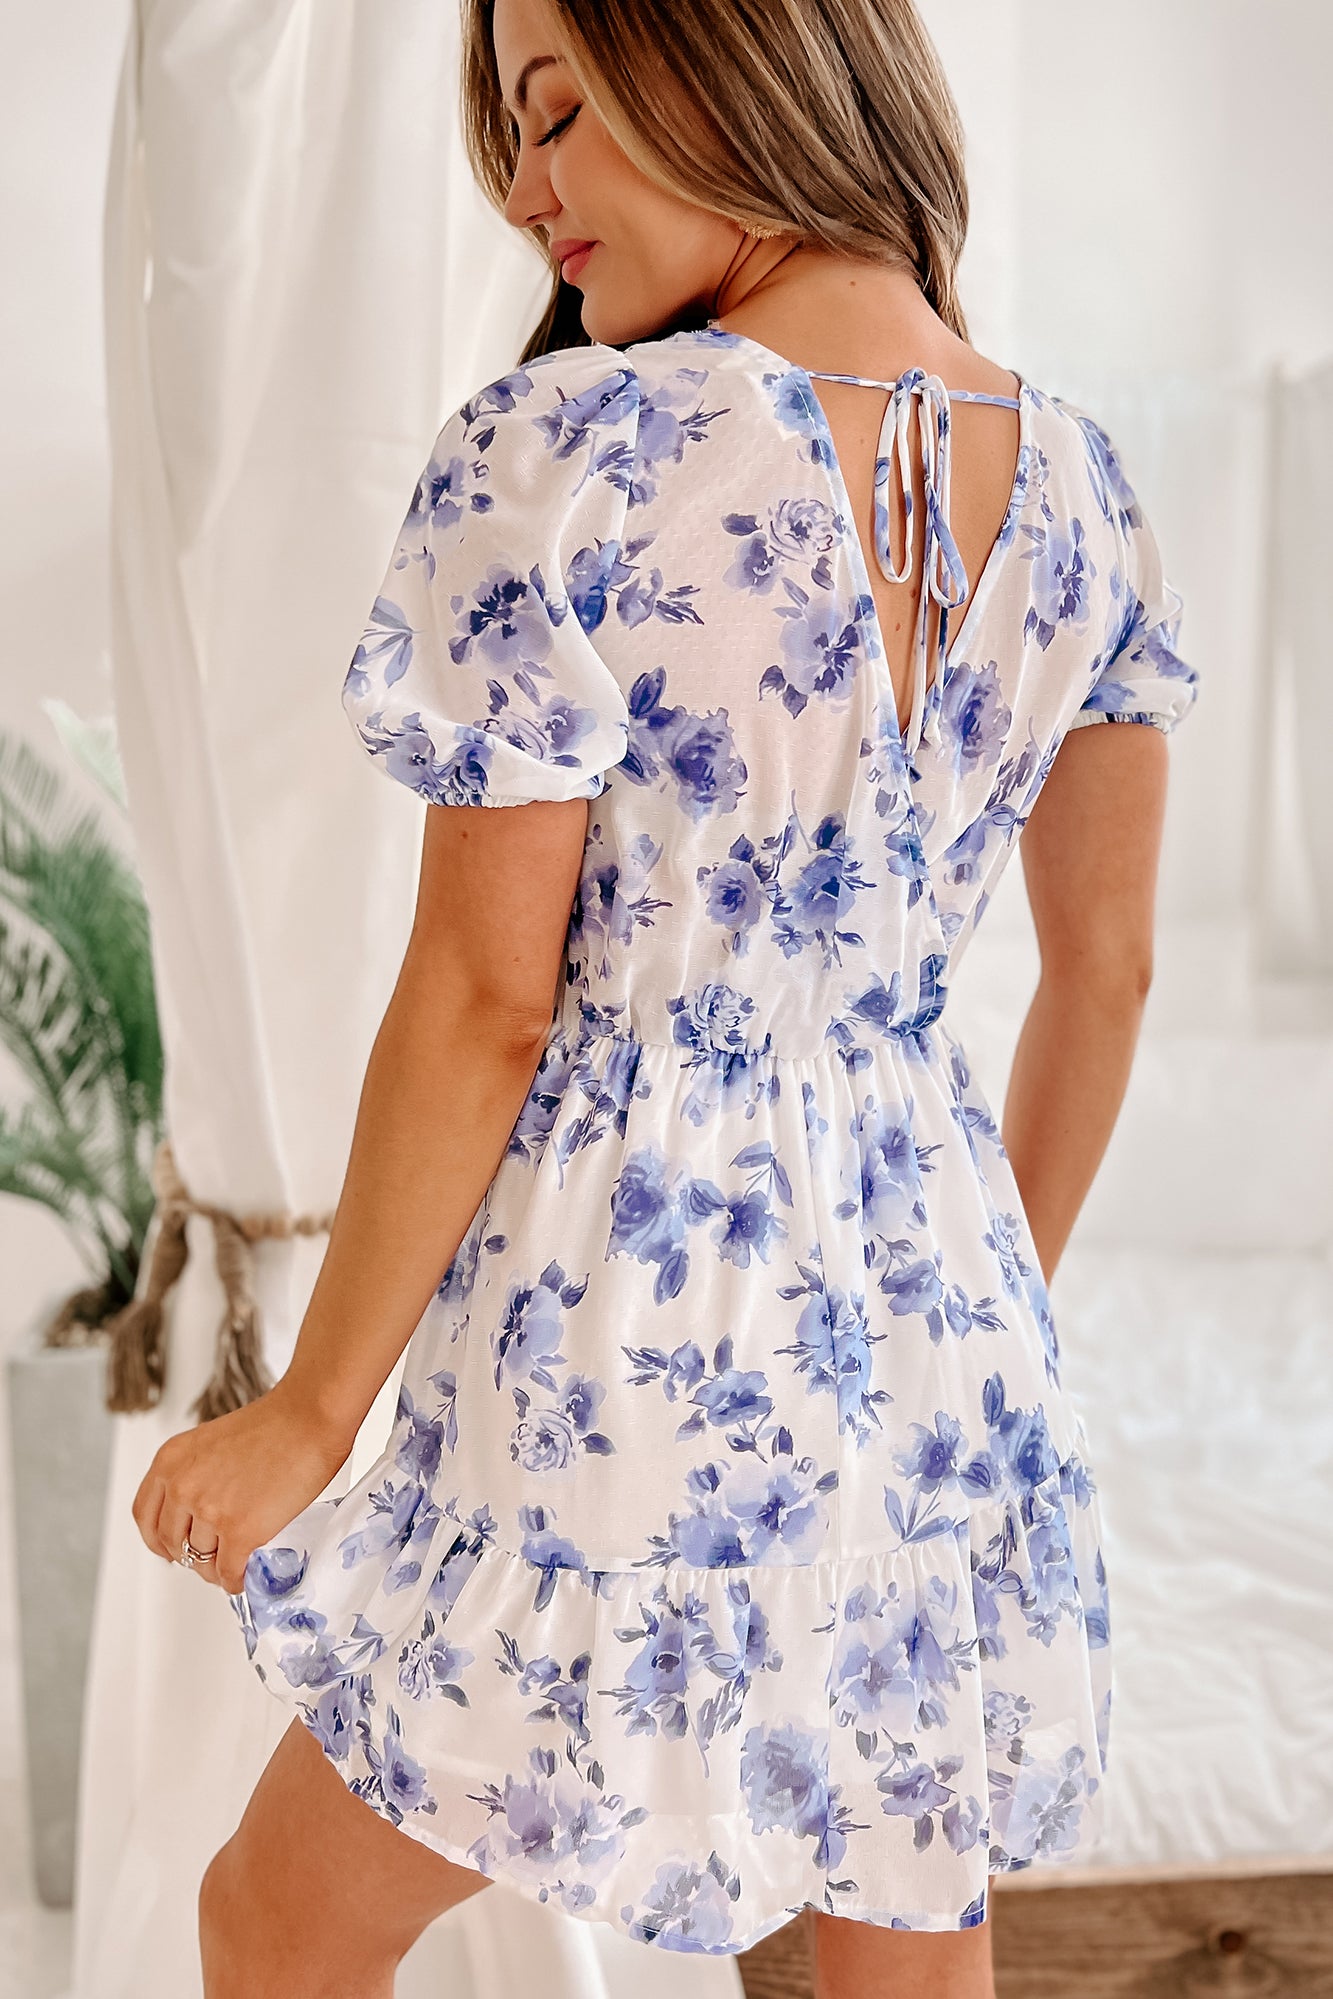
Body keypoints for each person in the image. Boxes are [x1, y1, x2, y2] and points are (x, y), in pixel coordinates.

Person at [131, 0, 1199, 1992]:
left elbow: (488, 1000)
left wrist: (311, 1411)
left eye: (550, 117)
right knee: (900, 1960)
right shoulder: (1082, 485)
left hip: (625, 1326)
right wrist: (970, 1342)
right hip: (940, 1335)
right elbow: (1106, 972)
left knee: (274, 1919)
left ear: (716, 59)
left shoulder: (574, 452)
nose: (525, 194)